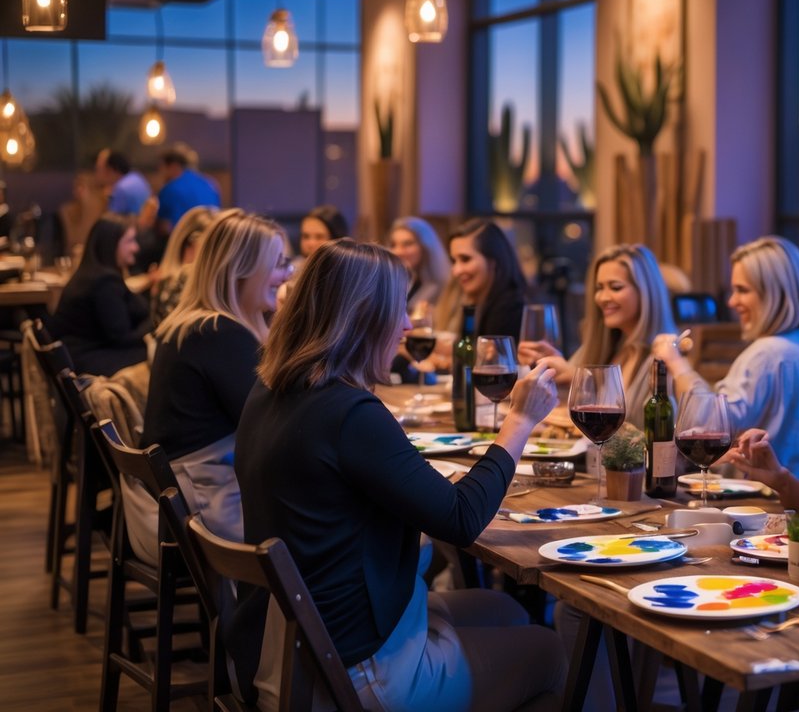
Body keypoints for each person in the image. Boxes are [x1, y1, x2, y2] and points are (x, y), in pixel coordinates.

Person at [234, 239, 566, 711]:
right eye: (399, 310)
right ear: (363, 316)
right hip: (357, 670)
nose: (408, 325)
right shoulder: (349, 413)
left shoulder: (269, 392)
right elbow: (461, 517)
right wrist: (520, 420)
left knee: (508, 609)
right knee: (550, 651)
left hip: (297, 644)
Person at [136, 210, 290, 553]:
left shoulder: (198, 325)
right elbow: (275, 426)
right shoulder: (217, 333)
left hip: (184, 505)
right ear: (240, 270)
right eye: (277, 264)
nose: (285, 274)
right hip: (208, 514)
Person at [653, 235, 799, 485]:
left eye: (742, 290)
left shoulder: (766, 354)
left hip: (756, 502)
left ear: (775, 294)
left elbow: (707, 426)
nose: (732, 301)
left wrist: (675, 362)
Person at [519, 243, 675, 429]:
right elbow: (563, 409)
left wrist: (574, 378)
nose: (603, 297)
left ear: (646, 293)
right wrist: (561, 373)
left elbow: (654, 436)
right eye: (600, 288)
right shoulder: (601, 347)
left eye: (615, 287)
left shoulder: (666, 358)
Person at [49, 213, 151, 376]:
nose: (136, 247)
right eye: (130, 241)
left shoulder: (91, 274)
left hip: (74, 358)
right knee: (162, 360)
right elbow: (121, 337)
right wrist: (155, 326)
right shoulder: (105, 282)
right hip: (87, 363)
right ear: (112, 245)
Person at [436, 218, 526, 340]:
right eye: (453, 261)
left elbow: (490, 356)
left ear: (493, 261)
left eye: (465, 259)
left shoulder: (511, 307)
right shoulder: (473, 300)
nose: (456, 271)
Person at [148, 205, 218, 327]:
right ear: (192, 241)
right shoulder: (181, 281)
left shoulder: (167, 279)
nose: (218, 253)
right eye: (212, 244)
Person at [387, 216, 449, 313]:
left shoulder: (443, 287)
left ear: (426, 247)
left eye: (407, 244)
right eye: (393, 245)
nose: (398, 251)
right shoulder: (393, 283)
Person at [156, 148, 220, 233]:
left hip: (187, 241)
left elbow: (163, 227)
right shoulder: (211, 183)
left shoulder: (170, 189)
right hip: (213, 237)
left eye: (162, 168)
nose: (161, 174)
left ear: (173, 166)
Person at [94, 149, 152, 217]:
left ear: (112, 170)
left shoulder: (121, 188)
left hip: (133, 225)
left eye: (106, 171)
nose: (104, 175)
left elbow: (112, 219)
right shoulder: (137, 177)